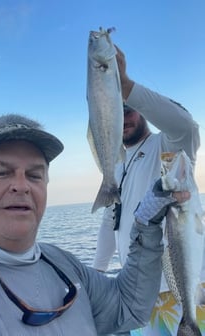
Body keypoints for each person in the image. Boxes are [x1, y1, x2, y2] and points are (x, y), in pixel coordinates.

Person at [0, 113, 188, 336]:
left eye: (34, 175)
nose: (21, 185)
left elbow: (128, 307)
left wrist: (146, 225)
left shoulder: (62, 263)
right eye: (2, 172)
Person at [93, 46, 204, 335]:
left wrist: (126, 86)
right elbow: (109, 225)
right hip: (138, 295)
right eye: (119, 112)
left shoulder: (168, 147)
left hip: (184, 289)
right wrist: (96, 275)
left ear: (142, 112)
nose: (126, 117)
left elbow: (185, 126)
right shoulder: (117, 169)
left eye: (130, 109)